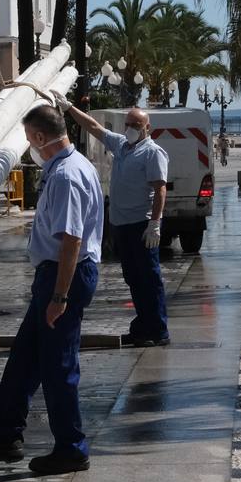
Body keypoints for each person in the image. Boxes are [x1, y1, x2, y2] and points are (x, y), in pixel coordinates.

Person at [0, 104, 103, 475]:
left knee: (58, 366)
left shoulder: (66, 177)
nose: (29, 148)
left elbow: (71, 240)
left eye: (29, 140)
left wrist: (59, 296)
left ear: (41, 138)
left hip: (64, 276)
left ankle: (71, 448)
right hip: (55, 275)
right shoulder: (71, 167)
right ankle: (4, 437)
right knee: (25, 358)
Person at [60, 99, 170, 347]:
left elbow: (160, 189)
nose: (130, 128)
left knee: (149, 279)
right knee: (133, 278)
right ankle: (143, 326)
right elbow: (94, 128)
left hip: (141, 226)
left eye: (136, 125)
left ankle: (158, 329)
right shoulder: (122, 145)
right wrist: (69, 107)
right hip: (121, 225)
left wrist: (155, 223)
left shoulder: (152, 152)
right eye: (128, 124)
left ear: (147, 128)